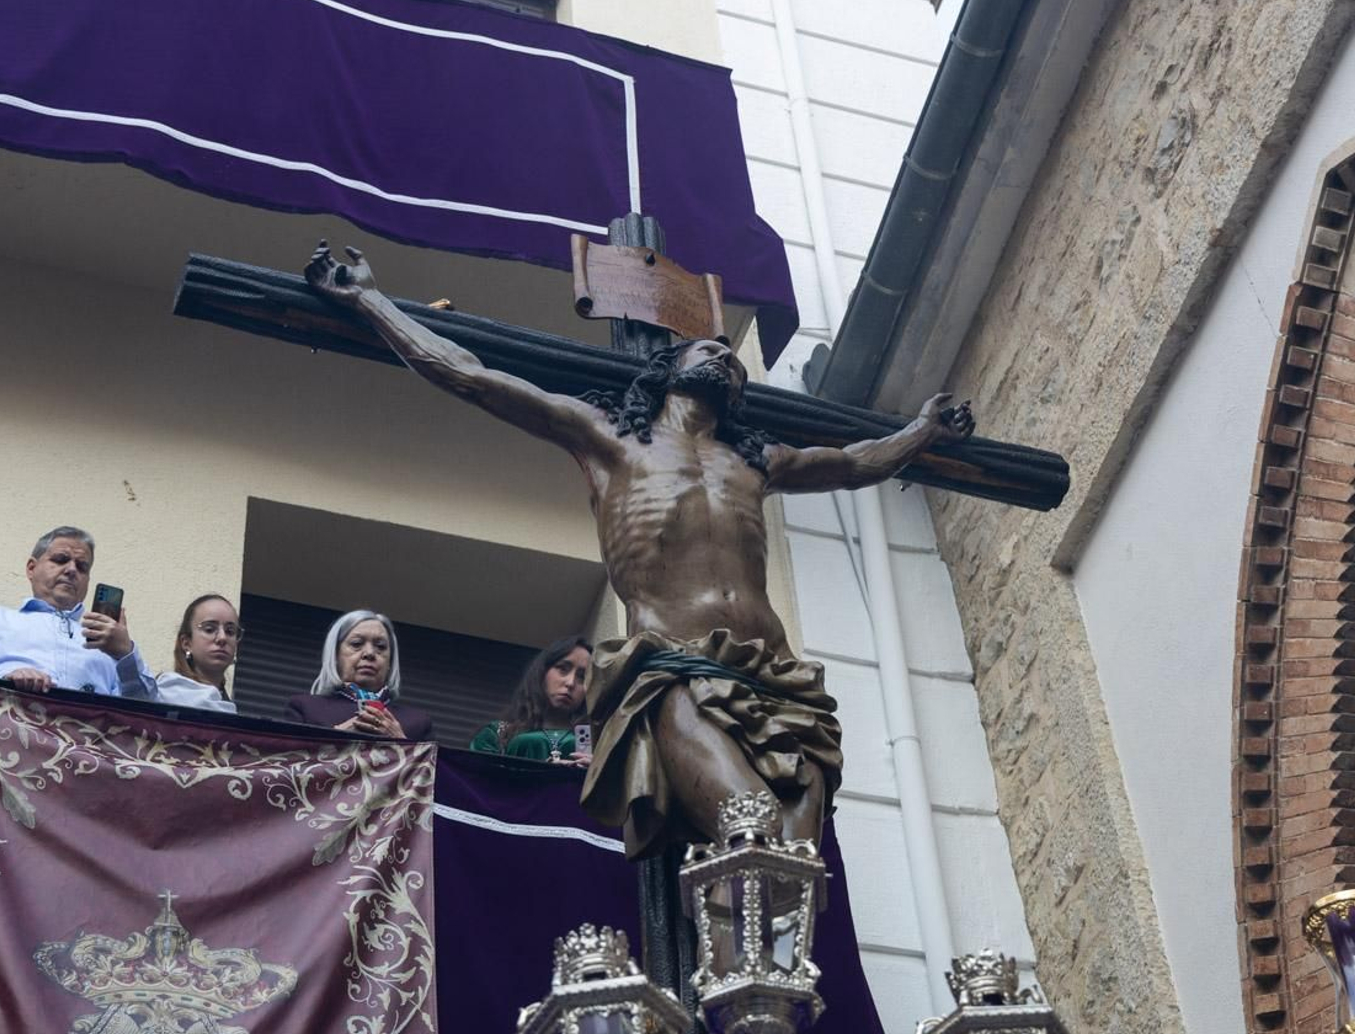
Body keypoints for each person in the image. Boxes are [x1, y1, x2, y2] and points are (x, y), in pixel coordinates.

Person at [307, 244, 974, 858]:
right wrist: (371, 301)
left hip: (778, 682)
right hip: (675, 669)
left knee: (795, 871)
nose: (722, 352)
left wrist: (921, 431)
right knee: (752, 830)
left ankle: (751, 988)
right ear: (665, 370)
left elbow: (855, 462)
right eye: (704, 347)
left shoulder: (757, 461)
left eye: (730, 355)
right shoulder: (608, 442)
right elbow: (473, 376)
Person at [0, 526, 157, 697]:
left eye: (82, 567)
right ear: (31, 568)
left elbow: (146, 711)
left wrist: (126, 653)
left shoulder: (106, 642)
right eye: (60, 560)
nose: (71, 570)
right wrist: (4, 677)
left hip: (86, 750)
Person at [283, 610, 433, 741]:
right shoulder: (305, 708)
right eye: (356, 644)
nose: (369, 653)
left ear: (390, 662)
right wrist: (338, 737)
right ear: (335, 655)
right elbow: (289, 767)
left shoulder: (418, 722)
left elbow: (436, 773)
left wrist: (401, 743)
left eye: (380, 647)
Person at [470, 637, 593, 765]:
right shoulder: (498, 733)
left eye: (582, 677)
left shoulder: (595, 742)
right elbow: (474, 782)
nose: (570, 683)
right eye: (563, 668)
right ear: (542, 672)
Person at [154, 594, 240, 714]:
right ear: (186, 643)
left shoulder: (228, 706)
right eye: (209, 629)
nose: (222, 638)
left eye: (230, 631)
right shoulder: (166, 692)